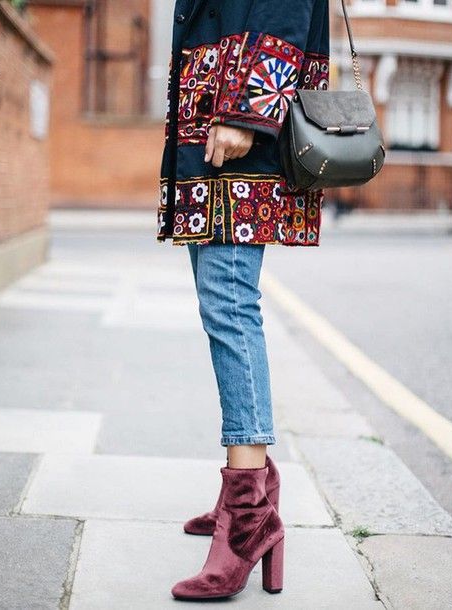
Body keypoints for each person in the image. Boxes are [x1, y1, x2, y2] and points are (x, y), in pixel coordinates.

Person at [156, 0, 330, 600]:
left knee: (229, 304)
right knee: (218, 304)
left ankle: (249, 511)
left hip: (241, 127)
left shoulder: (244, 116)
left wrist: (246, 112)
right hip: (209, 122)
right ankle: (255, 493)